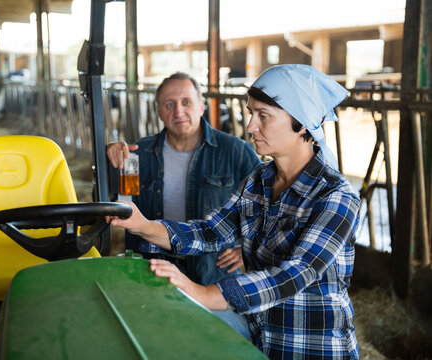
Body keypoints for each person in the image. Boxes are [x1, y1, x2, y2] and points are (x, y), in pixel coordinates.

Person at [108, 64, 360, 359]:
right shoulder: (259, 181)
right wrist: (141, 225)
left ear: (302, 124)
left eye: (262, 116)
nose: (251, 126)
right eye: (251, 113)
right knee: (171, 327)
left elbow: (294, 274)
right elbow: (210, 232)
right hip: (256, 331)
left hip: (306, 345)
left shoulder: (336, 196)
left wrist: (203, 293)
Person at [107, 72, 261, 285]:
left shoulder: (236, 152)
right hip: (151, 270)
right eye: (169, 105)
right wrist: (110, 159)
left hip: (211, 274)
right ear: (159, 111)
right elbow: (112, 203)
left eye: (186, 102)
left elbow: (270, 205)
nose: (179, 112)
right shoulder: (136, 154)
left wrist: (247, 248)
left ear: (201, 106)